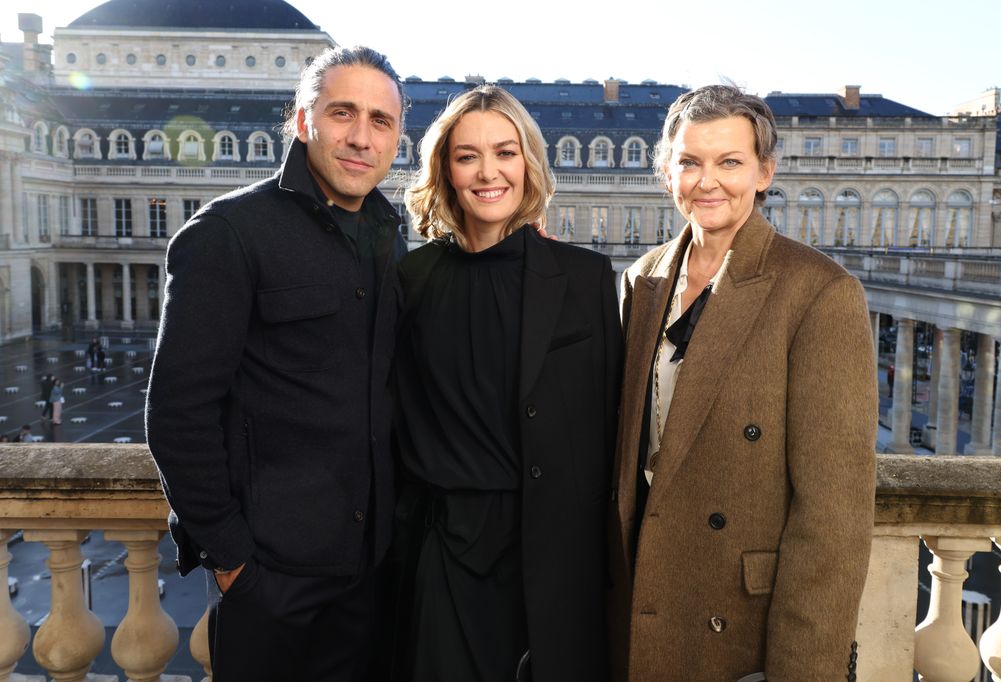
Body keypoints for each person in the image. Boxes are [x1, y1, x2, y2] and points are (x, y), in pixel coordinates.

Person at [146, 45, 407, 681]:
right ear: (302, 119)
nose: (361, 137)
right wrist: (233, 559)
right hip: (274, 580)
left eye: (381, 121)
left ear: (398, 137)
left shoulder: (386, 230)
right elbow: (177, 412)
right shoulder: (228, 232)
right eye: (343, 112)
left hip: (371, 573)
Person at [607, 85, 877, 681]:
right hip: (640, 605)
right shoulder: (642, 279)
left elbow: (832, 517)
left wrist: (802, 669)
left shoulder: (818, 292)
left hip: (739, 624)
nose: (708, 182)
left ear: (764, 173)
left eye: (730, 162)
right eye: (690, 162)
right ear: (666, 173)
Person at [387, 85, 622, 682]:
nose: (488, 172)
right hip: (443, 554)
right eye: (467, 156)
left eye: (505, 152)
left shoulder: (585, 277)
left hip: (551, 561)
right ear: (445, 168)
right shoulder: (410, 279)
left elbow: (612, 428)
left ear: (529, 164)